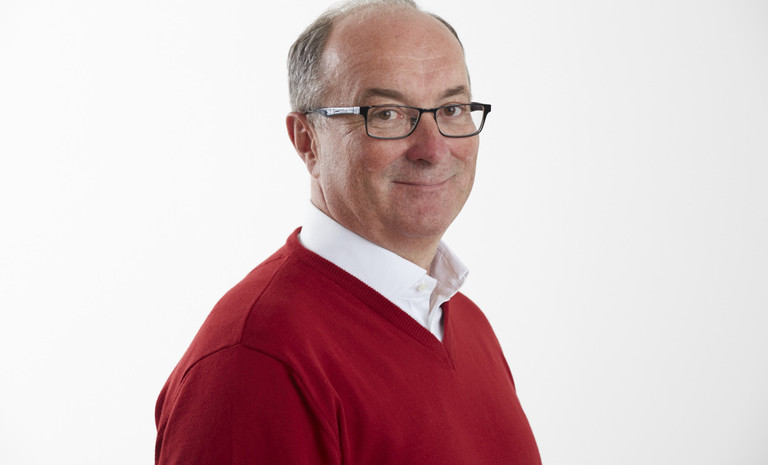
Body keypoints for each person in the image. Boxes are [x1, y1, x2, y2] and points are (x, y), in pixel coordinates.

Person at [154, 0, 541, 463]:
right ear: (307, 141)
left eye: (452, 108)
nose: (434, 148)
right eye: (386, 114)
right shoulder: (257, 359)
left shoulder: (466, 324)